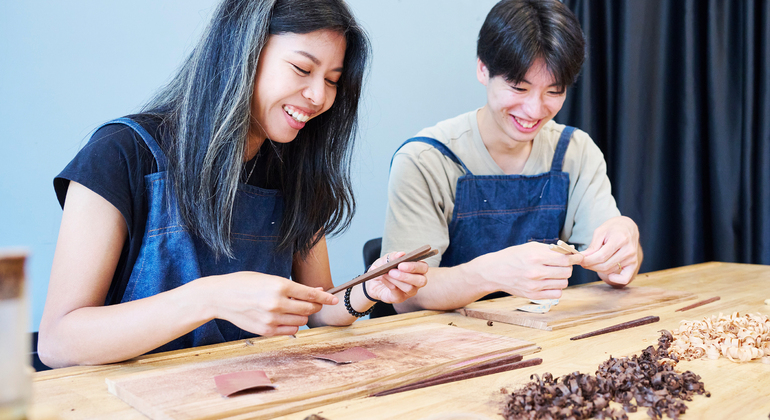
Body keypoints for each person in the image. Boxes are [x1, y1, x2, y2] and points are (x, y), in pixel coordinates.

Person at [38, 0, 428, 368]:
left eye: (331, 80)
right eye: (302, 69)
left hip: (248, 392)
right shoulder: (120, 152)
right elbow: (58, 341)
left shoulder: (294, 168)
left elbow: (319, 307)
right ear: (243, 51)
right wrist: (209, 298)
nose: (318, 96)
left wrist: (368, 290)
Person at [380, 0, 642, 314]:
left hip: (547, 341)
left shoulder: (575, 151)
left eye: (554, 91)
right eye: (518, 87)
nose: (534, 110)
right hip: (445, 346)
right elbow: (407, 297)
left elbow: (617, 267)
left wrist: (626, 244)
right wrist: (491, 274)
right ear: (482, 68)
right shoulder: (426, 159)